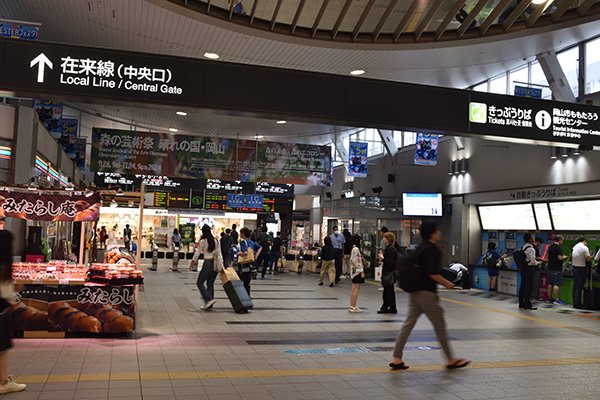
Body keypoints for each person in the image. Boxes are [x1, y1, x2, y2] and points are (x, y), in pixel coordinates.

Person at [389, 221, 470, 371]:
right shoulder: (432, 250)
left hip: (415, 292)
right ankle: (451, 359)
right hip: (426, 294)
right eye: (438, 230)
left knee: (408, 325)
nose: (440, 232)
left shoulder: (420, 248)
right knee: (440, 326)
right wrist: (447, 283)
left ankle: (396, 358)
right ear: (432, 233)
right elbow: (433, 273)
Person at [0, 230, 27, 394]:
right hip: (1, 311)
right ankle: (4, 382)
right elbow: (6, 295)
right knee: (2, 348)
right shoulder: (3, 267)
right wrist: (16, 293)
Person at [190, 225, 219, 311]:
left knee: (199, 282)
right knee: (210, 284)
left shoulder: (203, 241)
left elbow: (198, 252)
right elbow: (219, 253)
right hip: (215, 263)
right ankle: (209, 305)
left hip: (208, 263)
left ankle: (209, 299)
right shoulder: (216, 241)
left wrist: (192, 263)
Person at [378, 232, 398, 314]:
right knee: (389, 291)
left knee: (387, 291)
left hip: (388, 273)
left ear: (389, 239)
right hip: (389, 272)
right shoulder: (390, 248)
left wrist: (383, 258)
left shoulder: (391, 249)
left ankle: (385, 307)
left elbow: (391, 262)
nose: (384, 240)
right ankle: (392, 307)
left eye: (385, 238)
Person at [238, 227, 261, 297]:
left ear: (243, 234)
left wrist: (238, 254)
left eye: (240, 233)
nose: (240, 235)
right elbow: (260, 247)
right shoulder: (251, 242)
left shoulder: (242, 242)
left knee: (240, 279)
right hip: (250, 264)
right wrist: (255, 256)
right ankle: (247, 295)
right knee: (247, 281)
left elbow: (245, 252)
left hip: (244, 264)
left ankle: (243, 296)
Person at [518, 233, 539, 310]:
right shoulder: (531, 249)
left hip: (523, 269)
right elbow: (533, 261)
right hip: (529, 269)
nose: (534, 238)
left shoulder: (522, 247)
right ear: (530, 239)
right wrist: (538, 263)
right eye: (533, 237)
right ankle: (527, 304)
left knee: (523, 286)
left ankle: (521, 303)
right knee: (528, 287)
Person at [572, 237, 591, 309]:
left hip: (574, 267)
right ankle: (578, 304)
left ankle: (575, 302)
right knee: (579, 287)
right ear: (584, 241)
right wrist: (590, 257)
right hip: (581, 269)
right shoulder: (585, 248)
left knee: (575, 286)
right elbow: (588, 259)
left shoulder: (575, 246)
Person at [547, 235, 567, 305]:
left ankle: (549, 298)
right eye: (562, 240)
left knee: (550, 284)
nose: (562, 242)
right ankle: (556, 300)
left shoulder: (550, 247)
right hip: (556, 269)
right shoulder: (558, 248)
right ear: (560, 240)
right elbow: (559, 258)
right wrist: (564, 257)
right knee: (556, 284)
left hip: (550, 268)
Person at [349, 236, 365, 313]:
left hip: (353, 271)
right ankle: (353, 306)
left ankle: (352, 305)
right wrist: (361, 271)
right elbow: (358, 261)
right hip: (357, 272)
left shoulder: (353, 249)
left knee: (354, 288)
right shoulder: (356, 249)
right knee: (356, 288)